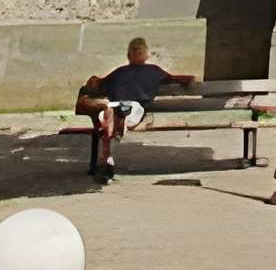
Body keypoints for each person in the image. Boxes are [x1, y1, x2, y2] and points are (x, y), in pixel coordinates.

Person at [74, 38, 193, 181]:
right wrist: (189, 79)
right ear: (146, 55)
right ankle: (117, 124)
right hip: (134, 109)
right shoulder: (154, 71)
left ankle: (106, 159)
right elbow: (178, 79)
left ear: (128, 56)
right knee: (118, 118)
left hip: (115, 105)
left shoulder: (119, 72)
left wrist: (93, 81)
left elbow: (97, 84)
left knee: (107, 121)